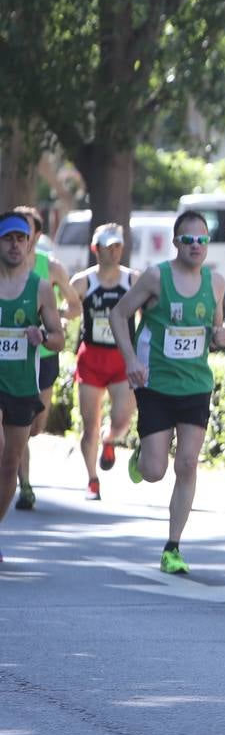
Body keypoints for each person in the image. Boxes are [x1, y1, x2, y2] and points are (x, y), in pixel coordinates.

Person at [111, 211, 225, 574]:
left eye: (203, 240)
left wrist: (221, 337)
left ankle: (172, 547)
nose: (196, 246)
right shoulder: (155, 277)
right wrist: (130, 359)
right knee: (154, 470)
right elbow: (118, 314)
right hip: (156, 385)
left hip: (195, 386)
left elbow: (216, 328)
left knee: (188, 463)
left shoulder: (217, 282)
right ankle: (143, 454)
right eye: (189, 240)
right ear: (176, 242)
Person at [0, 212, 65, 559]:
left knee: (10, 465)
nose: (15, 244)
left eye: (20, 239)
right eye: (8, 238)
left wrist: (42, 335)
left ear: (29, 245)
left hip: (22, 385)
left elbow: (59, 339)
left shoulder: (39, 287)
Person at [12, 206, 79, 511]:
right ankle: (23, 483)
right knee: (17, 429)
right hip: (11, 362)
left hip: (44, 355)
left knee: (36, 427)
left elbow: (74, 305)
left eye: (24, 233)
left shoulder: (49, 268)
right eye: (11, 234)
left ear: (36, 237)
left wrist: (58, 317)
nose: (17, 241)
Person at [70, 224, 138, 502]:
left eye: (117, 246)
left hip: (122, 358)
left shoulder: (134, 280)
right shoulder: (82, 282)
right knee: (90, 425)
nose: (113, 252)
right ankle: (92, 481)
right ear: (94, 248)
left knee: (121, 422)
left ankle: (109, 440)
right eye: (107, 246)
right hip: (92, 358)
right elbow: (68, 310)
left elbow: (151, 312)